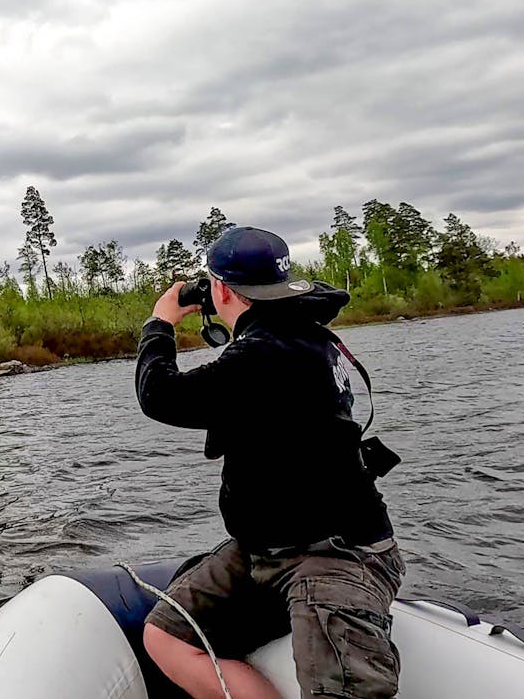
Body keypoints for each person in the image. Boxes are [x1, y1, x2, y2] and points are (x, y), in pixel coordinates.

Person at [135, 226, 403, 699]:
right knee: (167, 634)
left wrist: (159, 323)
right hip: (265, 547)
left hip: (334, 554)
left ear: (219, 289)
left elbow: (159, 394)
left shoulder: (267, 353)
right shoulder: (302, 338)